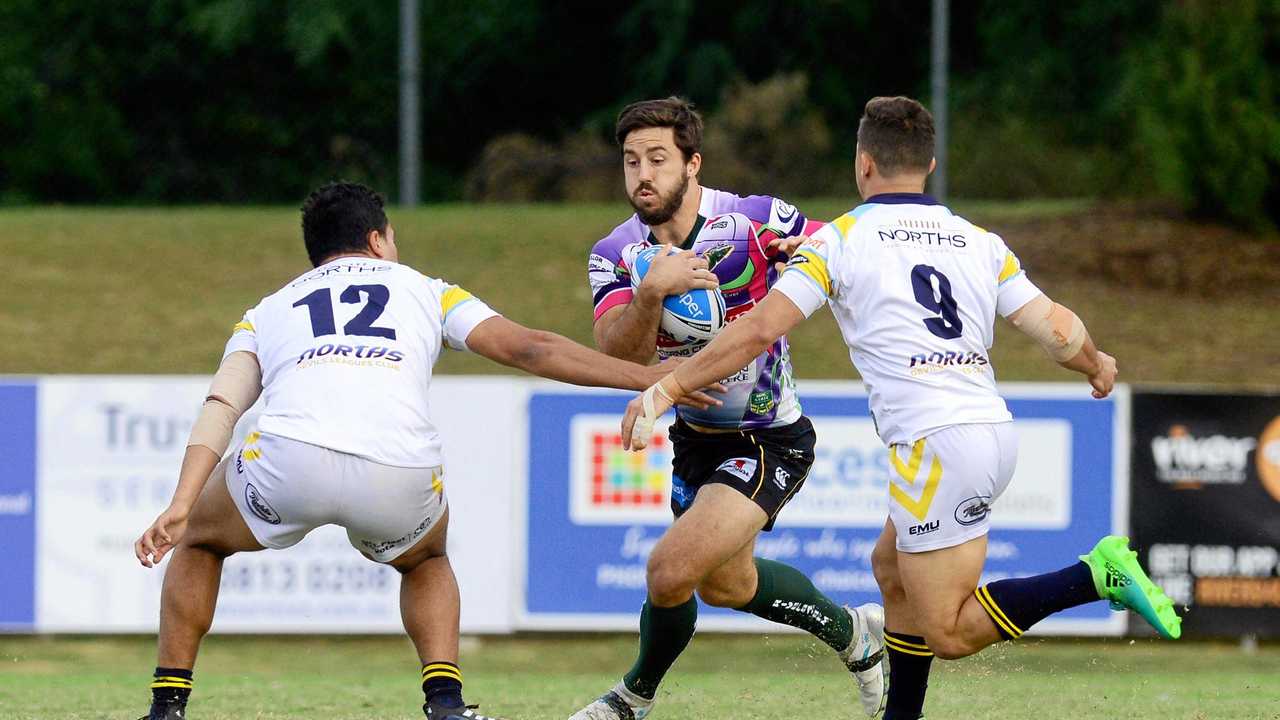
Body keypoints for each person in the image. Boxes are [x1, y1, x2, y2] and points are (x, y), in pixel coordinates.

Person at [620, 96, 1182, 720]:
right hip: (990, 431)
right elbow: (1056, 329)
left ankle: (1094, 574)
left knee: (949, 631)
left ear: (863, 164)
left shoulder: (841, 241)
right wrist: (1098, 364)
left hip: (935, 446)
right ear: (930, 164)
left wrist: (666, 389)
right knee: (890, 570)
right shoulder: (978, 241)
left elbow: (753, 335)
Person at [132, 182, 717, 720]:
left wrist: (181, 504)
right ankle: (445, 702)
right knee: (426, 560)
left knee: (201, 541)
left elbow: (222, 406)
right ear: (377, 240)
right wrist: (649, 378)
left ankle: (166, 707)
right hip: (398, 471)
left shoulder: (267, 310)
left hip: (290, 458)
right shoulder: (425, 289)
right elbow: (531, 350)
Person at [571, 97, 888, 720]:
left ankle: (631, 698)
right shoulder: (614, 253)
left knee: (668, 571)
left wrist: (806, 256)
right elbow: (619, 352)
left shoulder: (752, 220)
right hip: (695, 440)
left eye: (658, 159)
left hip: (770, 438)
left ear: (693, 164)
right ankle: (856, 636)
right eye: (631, 161)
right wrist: (651, 292)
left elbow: (848, 257)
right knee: (728, 585)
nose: (643, 175)